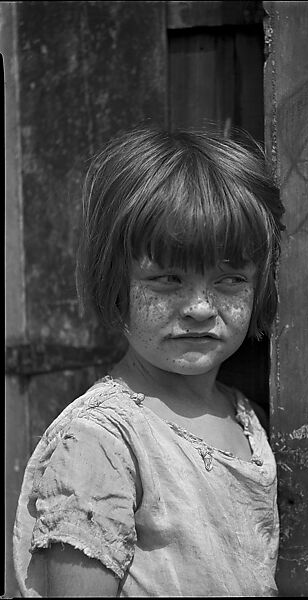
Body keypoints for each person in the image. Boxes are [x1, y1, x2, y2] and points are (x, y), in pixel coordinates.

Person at [13, 126, 285, 597]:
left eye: (229, 280)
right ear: (116, 284)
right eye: (167, 279)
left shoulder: (243, 417)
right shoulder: (102, 444)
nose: (200, 307)